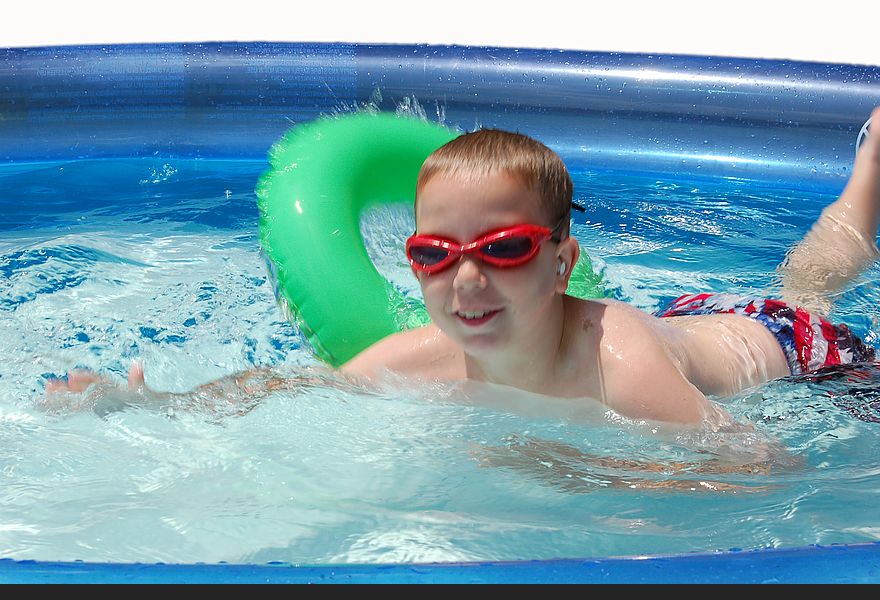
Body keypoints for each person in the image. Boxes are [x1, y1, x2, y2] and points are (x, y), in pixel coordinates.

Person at [49, 108, 880, 432]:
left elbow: (761, 473)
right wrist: (143, 402)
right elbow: (285, 386)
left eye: (506, 249)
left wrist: (574, 468)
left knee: (805, 294)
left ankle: (868, 173)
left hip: (799, 353)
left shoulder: (616, 362)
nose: (466, 283)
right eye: (433, 255)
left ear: (563, 263)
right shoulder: (430, 352)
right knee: (798, 273)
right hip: (692, 311)